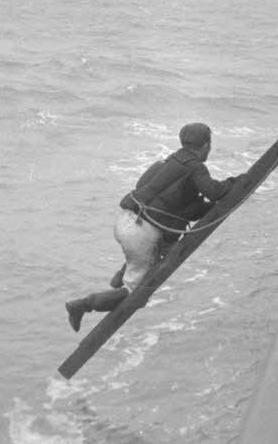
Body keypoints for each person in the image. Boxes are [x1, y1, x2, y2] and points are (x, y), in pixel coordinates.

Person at [64, 123, 241, 332]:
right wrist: (236, 182)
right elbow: (214, 191)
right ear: (205, 145)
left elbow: (151, 191)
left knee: (143, 256)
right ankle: (82, 305)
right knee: (136, 294)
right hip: (141, 233)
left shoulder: (167, 163)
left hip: (126, 220)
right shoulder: (196, 167)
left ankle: (120, 276)